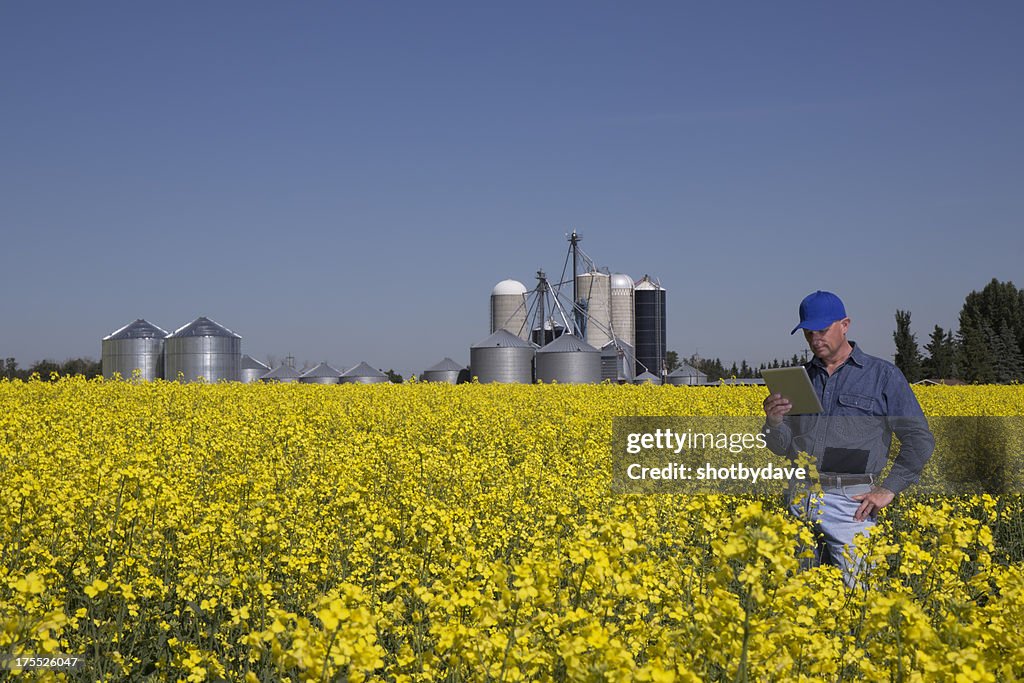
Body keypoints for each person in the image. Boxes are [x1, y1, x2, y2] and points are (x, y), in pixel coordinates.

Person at [762, 290, 935, 587]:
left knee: (860, 597)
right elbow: (782, 447)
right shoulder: (799, 379)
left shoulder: (882, 376)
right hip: (802, 497)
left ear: (845, 324)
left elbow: (919, 439)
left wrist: (889, 489)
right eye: (808, 332)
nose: (815, 339)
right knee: (797, 596)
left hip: (851, 504)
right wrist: (774, 422)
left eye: (822, 330)